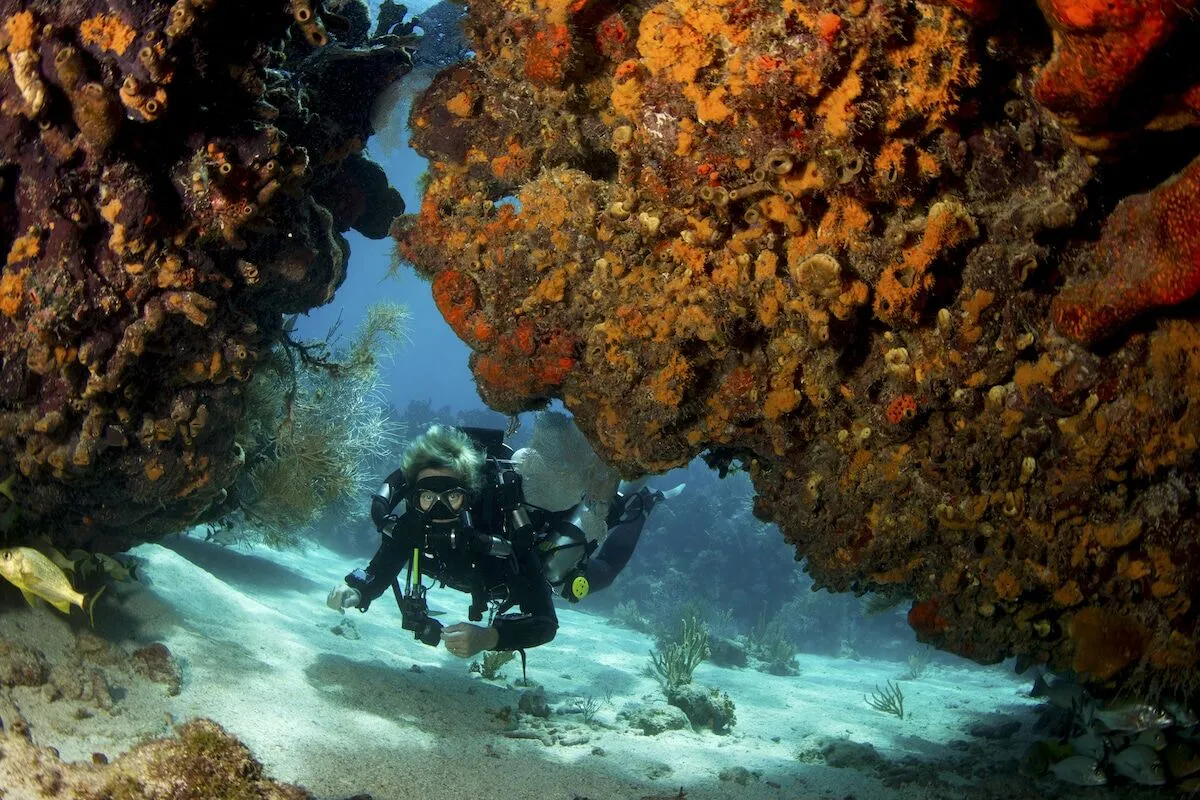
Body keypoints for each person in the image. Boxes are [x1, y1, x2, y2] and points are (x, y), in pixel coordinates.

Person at [326, 424, 679, 660]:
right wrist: (357, 591)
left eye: (452, 497)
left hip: (535, 559)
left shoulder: (505, 525)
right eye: (425, 498)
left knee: (592, 568)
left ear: (469, 495)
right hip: (484, 581)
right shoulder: (412, 526)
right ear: (412, 498)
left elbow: (545, 622)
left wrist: (488, 638)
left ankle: (643, 504)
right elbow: (382, 567)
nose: (438, 509)